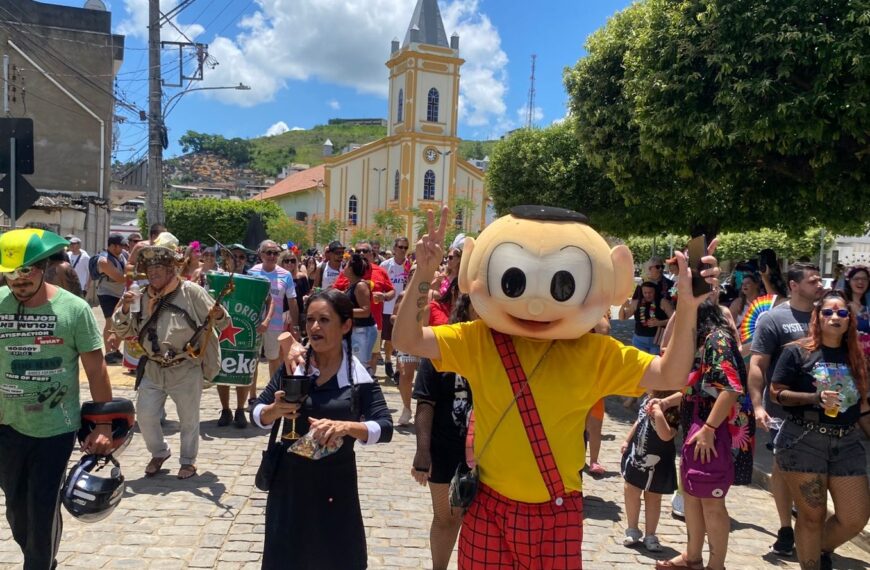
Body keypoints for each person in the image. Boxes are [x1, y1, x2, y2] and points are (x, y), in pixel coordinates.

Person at [390, 205, 720, 568]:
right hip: (489, 505)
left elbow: (671, 375)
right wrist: (423, 272)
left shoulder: (595, 353)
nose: (536, 302)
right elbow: (407, 339)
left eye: (563, 285)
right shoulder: (479, 340)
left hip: (556, 509)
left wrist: (688, 307)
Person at [253, 289, 393, 569]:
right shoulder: (295, 366)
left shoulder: (358, 377)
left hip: (335, 489)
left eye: (325, 320)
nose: (315, 327)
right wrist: (272, 411)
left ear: (346, 326)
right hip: (290, 487)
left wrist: (348, 426)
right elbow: (257, 410)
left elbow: (384, 426)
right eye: (310, 320)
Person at [0, 229, 113, 569]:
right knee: (17, 510)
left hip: (56, 428)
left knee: (42, 505)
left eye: (27, 272)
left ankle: (40, 562)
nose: (18, 282)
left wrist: (103, 424)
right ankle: (41, 551)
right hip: (7, 426)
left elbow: (96, 370)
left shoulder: (74, 310)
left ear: (43, 267)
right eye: (10, 274)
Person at [112, 232, 228, 480]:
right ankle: (160, 452)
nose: (153, 272)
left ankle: (188, 461)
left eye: (159, 267)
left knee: (188, 419)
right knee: (144, 415)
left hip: (185, 366)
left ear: (171, 269)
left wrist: (217, 314)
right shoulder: (141, 296)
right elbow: (124, 329)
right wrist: (123, 307)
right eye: (150, 267)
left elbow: (222, 320)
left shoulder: (191, 292)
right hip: (153, 367)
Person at [770, 291, 870, 570]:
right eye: (828, 312)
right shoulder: (797, 350)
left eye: (841, 313)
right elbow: (776, 393)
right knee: (811, 516)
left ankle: (819, 548)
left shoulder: (856, 357)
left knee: (855, 517)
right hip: (803, 440)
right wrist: (815, 398)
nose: (835, 317)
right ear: (817, 317)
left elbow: (862, 405)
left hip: (847, 442)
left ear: (849, 319)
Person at [657, 301, 755, 570]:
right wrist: (668, 402)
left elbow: (730, 388)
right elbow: (701, 388)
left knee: (711, 502)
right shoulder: (705, 341)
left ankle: (716, 565)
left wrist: (709, 430)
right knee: (691, 496)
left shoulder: (716, 340)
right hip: (699, 430)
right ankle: (692, 557)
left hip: (712, 433)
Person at [749, 262, 823, 557]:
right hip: (783, 409)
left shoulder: (829, 315)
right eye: (812, 280)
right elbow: (758, 365)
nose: (819, 284)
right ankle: (785, 527)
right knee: (781, 466)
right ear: (794, 285)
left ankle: (812, 527)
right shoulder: (773, 319)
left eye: (819, 279)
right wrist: (756, 405)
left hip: (825, 410)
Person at [411, 292, 475, 570]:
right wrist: (422, 453)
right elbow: (426, 402)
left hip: (490, 449)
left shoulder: (505, 346)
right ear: (466, 307)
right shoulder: (441, 344)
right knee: (446, 517)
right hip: (446, 445)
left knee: (479, 520)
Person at [246, 240, 299, 421]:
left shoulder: (286, 275)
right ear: (260, 254)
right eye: (268, 252)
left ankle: (270, 398)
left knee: (274, 361)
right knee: (252, 362)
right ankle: (252, 397)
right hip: (254, 323)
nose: (272, 256)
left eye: (275, 253)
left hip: (276, 325)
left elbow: (292, 300)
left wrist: (296, 324)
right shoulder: (252, 272)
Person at [620, 392, 679, 553]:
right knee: (631, 490)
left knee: (653, 497)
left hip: (658, 460)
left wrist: (659, 413)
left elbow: (667, 435)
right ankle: (632, 529)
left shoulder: (673, 408)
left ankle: (650, 534)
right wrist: (627, 439)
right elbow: (639, 421)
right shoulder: (646, 399)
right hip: (636, 455)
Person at [380, 236, 411, 382]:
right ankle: (387, 358)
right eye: (400, 247)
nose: (403, 250)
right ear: (394, 249)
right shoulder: (386, 265)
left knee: (400, 339)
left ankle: (399, 370)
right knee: (389, 340)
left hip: (403, 309)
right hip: (387, 308)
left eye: (405, 247)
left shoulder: (410, 266)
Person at [97, 233, 128, 364]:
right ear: (113, 246)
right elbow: (119, 278)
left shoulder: (123, 255)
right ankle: (109, 352)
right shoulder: (103, 260)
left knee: (122, 322)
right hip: (107, 293)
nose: (123, 248)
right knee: (110, 322)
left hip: (120, 293)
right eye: (120, 245)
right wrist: (137, 277)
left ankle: (115, 350)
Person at [622, 281, 674, 355]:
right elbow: (623, 318)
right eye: (645, 292)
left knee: (654, 365)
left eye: (650, 292)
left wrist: (659, 323)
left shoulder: (663, 302)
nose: (647, 295)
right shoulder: (636, 302)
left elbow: (675, 319)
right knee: (642, 364)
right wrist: (622, 306)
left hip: (657, 341)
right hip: (639, 341)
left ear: (655, 292)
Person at [344, 252, 377, 365]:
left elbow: (365, 311)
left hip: (363, 331)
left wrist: (343, 311)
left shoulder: (360, 286)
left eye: (346, 264)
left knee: (360, 365)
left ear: (351, 269)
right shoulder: (352, 285)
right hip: (356, 331)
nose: (344, 266)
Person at [843, 265, 869, 333]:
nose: (860, 282)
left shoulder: (867, 306)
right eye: (856, 279)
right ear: (849, 282)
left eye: (864, 279)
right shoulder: (842, 304)